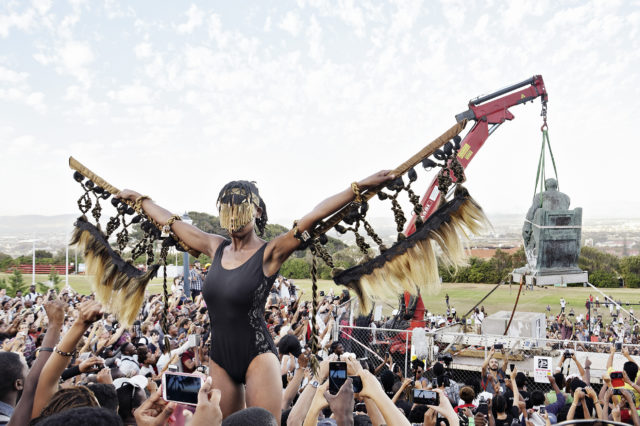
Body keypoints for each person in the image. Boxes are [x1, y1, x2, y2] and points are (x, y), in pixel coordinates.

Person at [117, 170, 394, 422]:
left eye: (239, 209)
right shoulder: (216, 246)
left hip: (257, 356)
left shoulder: (270, 253)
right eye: (228, 210)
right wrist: (141, 201)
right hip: (220, 355)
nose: (233, 218)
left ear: (257, 211)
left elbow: (314, 216)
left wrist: (357, 187)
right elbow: (173, 222)